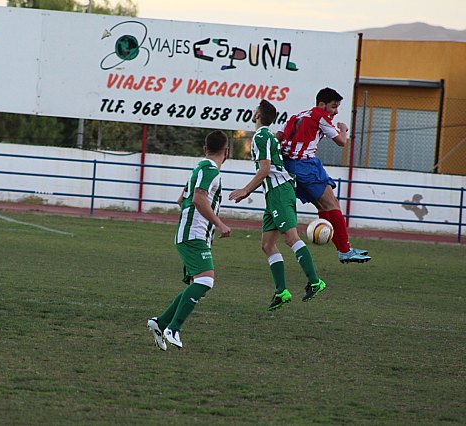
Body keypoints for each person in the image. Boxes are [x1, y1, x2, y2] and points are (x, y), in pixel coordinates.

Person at [229, 100, 326, 311]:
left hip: (279, 191)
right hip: (274, 193)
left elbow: (265, 169)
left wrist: (246, 190)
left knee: (291, 238)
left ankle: (315, 281)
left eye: (255, 111)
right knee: (266, 244)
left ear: (257, 116)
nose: (253, 113)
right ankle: (282, 291)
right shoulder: (267, 137)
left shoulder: (261, 136)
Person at [147, 130, 231, 350]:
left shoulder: (198, 169)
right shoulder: (210, 170)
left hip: (193, 234)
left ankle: (161, 322)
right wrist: (219, 223)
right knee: (206, 281)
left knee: (199, 285)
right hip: (193, 235)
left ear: (205, 149)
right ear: (227, 152)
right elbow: (197, 199)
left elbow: (180, 199)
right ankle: (173, 328)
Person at [275, 88, 371, 263]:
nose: (335, 111)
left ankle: (343, 248)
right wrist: (343, 129)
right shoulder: (320, 116)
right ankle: (345, 250)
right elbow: (341, 142)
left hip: (289, 166)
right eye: (333, 107)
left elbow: (278, 136)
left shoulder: (297, 115)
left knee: (323, 206)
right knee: (331, 204)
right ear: (321, 104)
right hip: (305, 165)